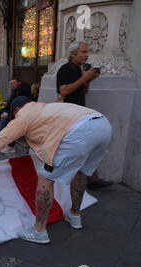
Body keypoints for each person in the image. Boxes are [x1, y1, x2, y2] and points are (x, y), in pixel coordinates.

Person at [0, 99, 113, 244]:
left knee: (46, 179)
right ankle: (74, 215)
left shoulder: (23, 116)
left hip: (79, 132)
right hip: (103, 125)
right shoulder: (45, 107)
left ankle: (39, 230)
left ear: (16, 109)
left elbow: (0, 140)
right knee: (80, 172)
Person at [57, 41, 113, 190]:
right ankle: (65, 178)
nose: (86, 55)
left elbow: (81, 92)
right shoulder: (66, 69)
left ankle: (92, 178)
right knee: (80, 147)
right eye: (83, 52)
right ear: (73, 54)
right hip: (70, 116)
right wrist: (84, 78)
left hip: (80, 114)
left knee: (89, 146)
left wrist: (88, 79)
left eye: (87, 52)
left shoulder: (78, 70)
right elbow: (64, 91)